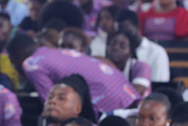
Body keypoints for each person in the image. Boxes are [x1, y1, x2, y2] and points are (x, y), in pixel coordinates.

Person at [9, 34, 141, 115]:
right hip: (124, 90)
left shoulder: (30, 64)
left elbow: (52, 105)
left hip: (106, 98)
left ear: (17, 58)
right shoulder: (50, 52)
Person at [104, 29, 152, 97]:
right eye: (112, 43)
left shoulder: (141, 67)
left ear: (131, 52)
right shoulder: (101, 66)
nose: (116, 47)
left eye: (122, 46)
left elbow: (134, 95)